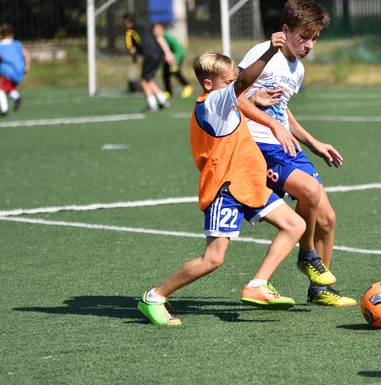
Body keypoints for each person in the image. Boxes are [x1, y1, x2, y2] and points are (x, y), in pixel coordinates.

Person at [138, 32, 306, 326]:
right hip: (225, 188)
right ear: (209, 84)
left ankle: (257, 285)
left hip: (249, 182)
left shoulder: (223, 100)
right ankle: (154, 296)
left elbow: (240, 96)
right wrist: (268, 53)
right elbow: (240, 87)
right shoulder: (212, 101)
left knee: (295, 225)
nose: (234, 87)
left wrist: (253, 97)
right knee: (213, 259)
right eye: (229, 83)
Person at [237, 0, 356, 307]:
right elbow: (235, 94)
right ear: (285, 30)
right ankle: (307, 256)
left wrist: (313, 143)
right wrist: (266, 116)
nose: (309, 44)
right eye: (304, 37)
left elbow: (282, 110)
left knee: (328, 219)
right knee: (310, 191)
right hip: (260, 148)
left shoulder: (297, 69)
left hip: (287, 146)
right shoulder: (262, 53)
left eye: (314, 38)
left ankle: (319, 290)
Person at [122, 13, 172, 113]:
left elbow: (131, 49)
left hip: (149, 56)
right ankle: (163, 100)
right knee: (148, 79)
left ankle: (152, 105)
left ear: (126, 21)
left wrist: (134, 57)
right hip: (158, 54)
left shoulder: (129, 32)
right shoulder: (143, 28)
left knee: (143, 82)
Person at [152, 24, 193, 99]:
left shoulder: (168, 37)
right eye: (154, 30)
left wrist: (175, 61)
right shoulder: (157, 38)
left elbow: (178, 49)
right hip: (168, 58)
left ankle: (187, 86)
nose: (155, 32)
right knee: (165, 73)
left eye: (157, 30)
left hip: (178, 55)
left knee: (175, 71)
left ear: (162, 30)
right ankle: (168, 91)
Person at [0, 23, 30, 117]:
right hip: (18, 72)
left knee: (0, 89)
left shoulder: (1, 46)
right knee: (7, 88)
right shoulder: (17, 44)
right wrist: (26, 68)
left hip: (6, 72)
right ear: (12, 34)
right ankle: (16, 97)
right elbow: (27, 55)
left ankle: (4, 110)